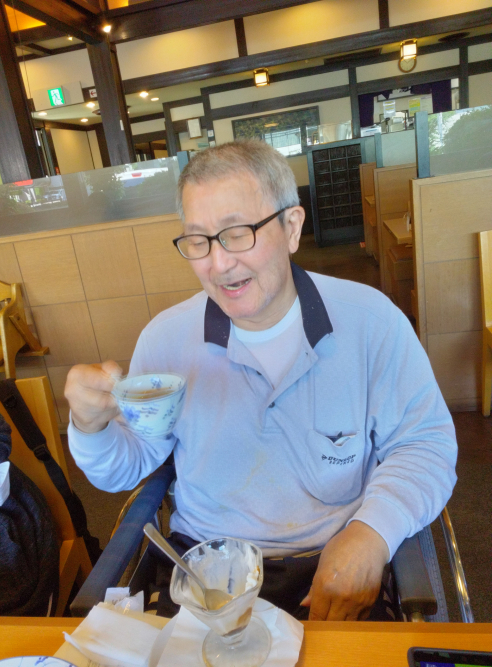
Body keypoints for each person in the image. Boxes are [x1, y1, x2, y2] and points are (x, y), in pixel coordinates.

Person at [66, 140, 457, 622]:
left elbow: (426, 444)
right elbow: (124, 468)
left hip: (332, 565)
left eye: (237, 234)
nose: (218, 263)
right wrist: (91, 427)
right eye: (198, 241)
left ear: (292, 227)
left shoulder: (371, 322)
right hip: (206, 576)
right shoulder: (166, 339)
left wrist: (372, 534)